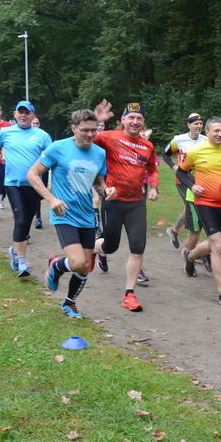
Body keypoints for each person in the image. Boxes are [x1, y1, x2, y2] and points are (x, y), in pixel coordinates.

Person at [28, 109, 113, 319]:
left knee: (85, 267)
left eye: (94, 130)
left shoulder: (99, 153)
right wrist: (51, 198)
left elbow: (99, 182)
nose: (90, 135)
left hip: (87, 215)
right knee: (76, 263)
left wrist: (106, 191)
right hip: (64, 212)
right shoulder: (58, 148)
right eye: (85, 130)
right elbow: (32, 174)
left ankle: (69, 303)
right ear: (74, 128)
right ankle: (56, 265)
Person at [92, 100, 160, 313]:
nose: (135, 121)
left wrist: (154, 187)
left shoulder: (147, 145)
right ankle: (92, 249)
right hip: (113, 201)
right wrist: (98, 120)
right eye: (131, 117)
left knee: (137, 248)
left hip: (136, 204)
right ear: (122, 120)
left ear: (143, 122)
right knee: (110, 246)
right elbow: (85, 139)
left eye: (139, 118)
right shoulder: (109, 137)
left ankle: (129, 293)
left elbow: (153, 169)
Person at [176, 117, 221, 305]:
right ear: (208, 131)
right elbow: (181, 172)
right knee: (217, 244)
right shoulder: (196, 151)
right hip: (203, 202)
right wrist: (192, 185)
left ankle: (190, 256)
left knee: (216, 243)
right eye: (216, 131)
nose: (220, 134)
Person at [0, 101, 52, 277]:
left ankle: (15, 251)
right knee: (21, 219)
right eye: (20, 112)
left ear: (33, 116)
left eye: (27, 113)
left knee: (27, 221)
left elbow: (52, 156)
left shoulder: (42, 135)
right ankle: (22, 261)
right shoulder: (5, 132)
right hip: (13, 183)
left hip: (34, 185)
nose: (24, 116)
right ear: (15, 114)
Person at [162, 113, 206, 251]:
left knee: (188, 207)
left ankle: (174, 230)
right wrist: (175, 167)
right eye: (195, 124)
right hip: (182, 179)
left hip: (198, 180)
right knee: (193, 208)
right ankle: (193, 243)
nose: (198, 126)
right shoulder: (179, 140)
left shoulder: (205, 140)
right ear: (189, 125)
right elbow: (165, 154)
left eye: (200, 124)